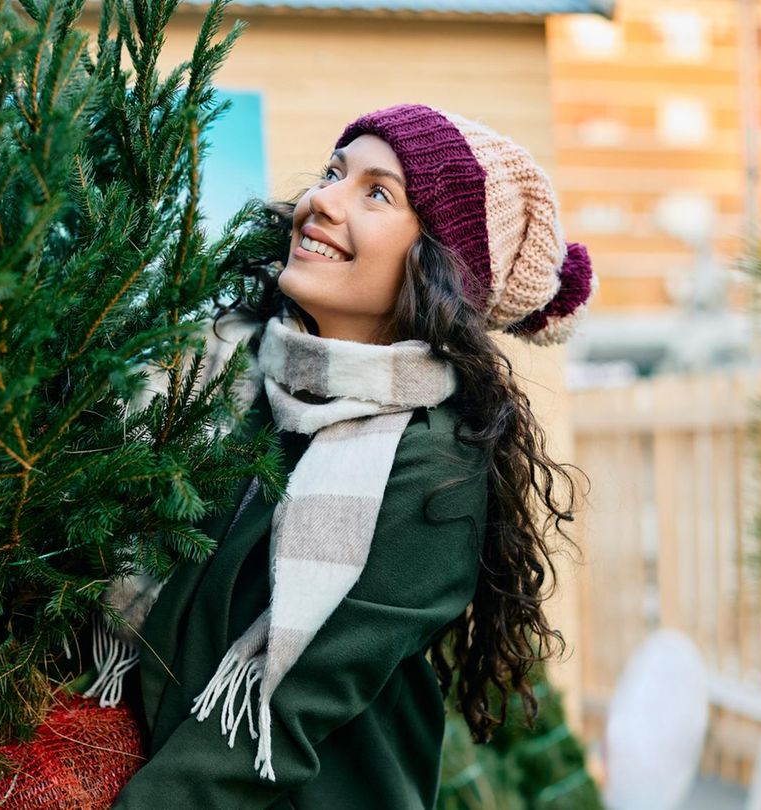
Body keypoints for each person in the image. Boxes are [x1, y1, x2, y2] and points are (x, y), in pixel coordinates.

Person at [99, 103, 597, 809]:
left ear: (437, 268)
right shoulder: (227, 376)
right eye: (333, 174)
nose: (323, 201)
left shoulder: (434, 470)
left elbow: (279, 721)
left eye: (377, 193)